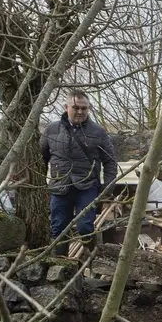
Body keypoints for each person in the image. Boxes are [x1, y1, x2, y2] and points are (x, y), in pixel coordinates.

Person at [41, 90, 117, 256]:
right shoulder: (51, 130)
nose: (80, 112)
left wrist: (107, 189)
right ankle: (60, 269)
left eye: (84, 108)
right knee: (59, 228)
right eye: (76, 107)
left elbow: (110, 161)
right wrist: (42, 186)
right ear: (67, 107)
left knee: (85, 227)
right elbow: (41, 159)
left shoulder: (98, 132)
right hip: (60, 187)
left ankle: (93, 262)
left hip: (87, 187)